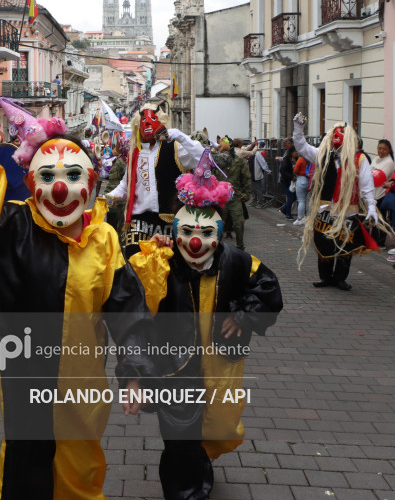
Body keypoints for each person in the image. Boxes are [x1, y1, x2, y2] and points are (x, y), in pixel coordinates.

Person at [0, 74, 158, 500]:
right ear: (33, 185)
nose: (59, 187)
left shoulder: (104, 239)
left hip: (82, 392)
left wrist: (136, 370)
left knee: (79, 476)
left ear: (90, 184)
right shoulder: (9, 230)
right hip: (26, 388)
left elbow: (128, 307)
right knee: (26, 473)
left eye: (72, 175)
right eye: (48, 175)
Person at [129, 149, 283, 500]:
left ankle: (197, 471)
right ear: (174, 230)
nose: (195, 241)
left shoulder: (237, 261)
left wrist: (244, 314)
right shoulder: (164, 260)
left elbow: (269, 289)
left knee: (217, 427)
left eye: (205, 232)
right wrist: (155, 255)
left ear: (220, 232)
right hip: (175, 367)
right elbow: (134, 297)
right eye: (186, 231)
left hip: (219, 366)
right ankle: (186, 490)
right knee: (179, 436)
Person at [294, 115, 390, 290]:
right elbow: (301, 146)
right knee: (323, 243)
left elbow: (366, 184)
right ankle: (325, 277)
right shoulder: (322, 155)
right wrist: (298, 129)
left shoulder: (359, 159)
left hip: (349, 211)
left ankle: (340, 278)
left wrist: (371, 206)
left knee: (345, 245)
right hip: (325, 210)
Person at [105, 107, 205, 255]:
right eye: (143, 121)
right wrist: (107, 199)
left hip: (170, 221)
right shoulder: (135, 153)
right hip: (139, 221)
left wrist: (179, 136)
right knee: (137, 265)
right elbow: (125, 185)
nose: (147, 126)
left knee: (169, 267)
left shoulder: (175, 148)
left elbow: (202, 158)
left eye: (152, 121)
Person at [215, 137, 251, 250]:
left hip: (235, 197)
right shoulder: (216, 163)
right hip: (220, 198)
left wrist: (246, 194)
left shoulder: (238, 161)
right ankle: (216, 247)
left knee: (239, 223)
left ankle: (240, 247)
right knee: (218, 224)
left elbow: (246, 177)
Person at [278, 137, 296, 220]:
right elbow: (283, 170)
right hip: (286, 180)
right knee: (291, 197)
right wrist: (291, 177)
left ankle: (284, 209)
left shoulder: (290, 157)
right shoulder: (287, 158)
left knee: (293, 196)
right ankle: (288, 214)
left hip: (289, 180)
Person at [249, 141, 271, 207]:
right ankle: (254, 200)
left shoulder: (257, 154)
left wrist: (268, 171)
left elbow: (263, 163)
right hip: (252, 174)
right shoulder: (251, 155)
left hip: (256, 174)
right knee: (254, 189)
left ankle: (260, 201)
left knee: (258, 189)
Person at [293, 153, 313, 225]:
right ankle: (308, 217)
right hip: (309, 180)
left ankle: (299, 218)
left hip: (301, 179)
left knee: (301, 201)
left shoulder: (301, 159)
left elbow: (295, 171)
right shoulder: (312, 159)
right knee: (309, 200)